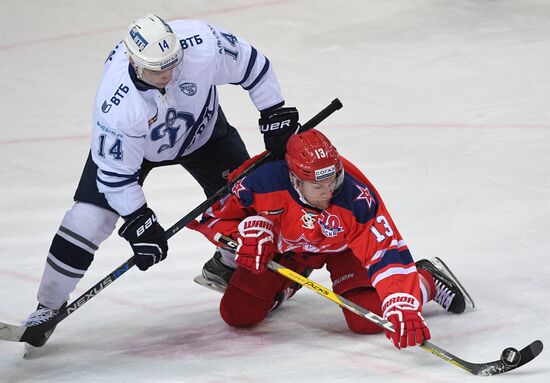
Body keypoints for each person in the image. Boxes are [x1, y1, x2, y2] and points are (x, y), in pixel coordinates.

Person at [23, 14, 300, 346]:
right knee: (87, 219)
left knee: (251, 203)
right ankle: (48, 306)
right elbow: (115, 178)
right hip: (136, 153)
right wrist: (139, 220)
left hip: (205, 134)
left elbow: (253, 64)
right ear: (135, 64)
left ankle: (226, 265)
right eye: (158, 70)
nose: (168, 75)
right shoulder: (117, 106)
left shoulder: (200, 44)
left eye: (172, 63)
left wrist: (273, 112)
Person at [188, 129, 473, 349]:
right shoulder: (259, 180)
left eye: (334, 180)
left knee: (366, 320)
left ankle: (428, 281)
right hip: (291, 248)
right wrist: (247, 232)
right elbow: (212, 217)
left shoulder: (355, 196)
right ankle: (287, 283)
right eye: (319, 185)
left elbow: (385, 251)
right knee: (237, 314)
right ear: (295, 179)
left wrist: (402, 301)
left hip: (344, 249)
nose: (329, 191)